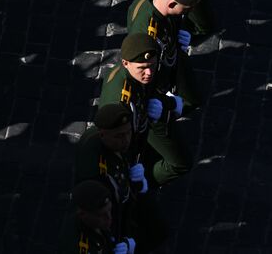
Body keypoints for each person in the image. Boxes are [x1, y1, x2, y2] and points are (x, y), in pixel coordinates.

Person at [98, 33, 192, 186]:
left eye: (152, 66)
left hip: (142, 125)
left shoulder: (131, 73)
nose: (148, 73)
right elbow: (117, 140)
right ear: (125, 63)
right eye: (142, 68)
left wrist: (167, 103)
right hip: (132, 148)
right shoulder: (121, 102)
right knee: (180, 163)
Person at [76, 104, 168, 253]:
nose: (126, 140)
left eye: (128, 133)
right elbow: (103, 216)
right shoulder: (96, 170)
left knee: (158, 231)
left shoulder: (115, 145)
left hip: (126, 204)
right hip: (116, 219)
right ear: (102, 134)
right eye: (119, 136)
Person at [128, 0, 204, 113]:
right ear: (171, 4)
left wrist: (175, 35)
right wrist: (164, 100)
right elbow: (144, 74)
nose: (191, 11)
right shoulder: (148, 35)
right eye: (187, 8)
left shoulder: (150, 0)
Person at [59, 180, 136, 254]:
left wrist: (127, 244)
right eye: (101, 215)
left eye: (110, 210)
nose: (109, 217)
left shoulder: (99, 223)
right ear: (82, 214)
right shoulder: (74, 244)